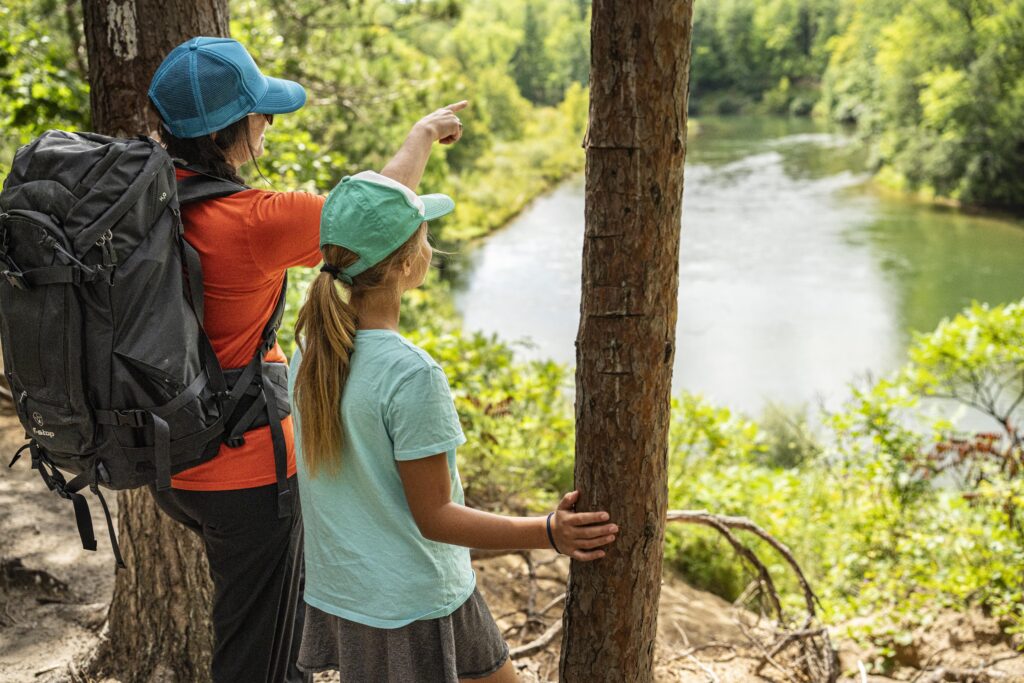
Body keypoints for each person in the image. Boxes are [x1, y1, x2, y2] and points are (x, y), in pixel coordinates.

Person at [145, 36, 465, 683]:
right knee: (256, 656)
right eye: (261, 112)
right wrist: (422, 136)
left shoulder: (143, 201)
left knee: (272, 638)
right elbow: (374, 219)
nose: (266, 122)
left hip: (165, 461)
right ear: (238, 130)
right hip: (243, 475)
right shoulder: (253, 219)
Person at [288, 172, 620, 682]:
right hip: (412, 600)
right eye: (425, 234)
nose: (430, 242)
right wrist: (548, 532)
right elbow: (436, 516)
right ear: (405, 264)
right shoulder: (411, 373)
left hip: (354, 591)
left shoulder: (311, 349)